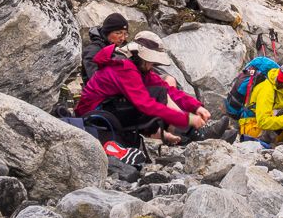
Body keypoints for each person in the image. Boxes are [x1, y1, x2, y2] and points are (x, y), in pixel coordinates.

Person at [75, 36, 213, 144]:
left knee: (161, 91)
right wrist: (187, 119)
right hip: (95, 116)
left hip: (108, 109)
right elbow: (146, 105)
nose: (153, 65)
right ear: (142, 57)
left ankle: (186, 133)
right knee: (158, 94)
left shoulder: (141, 70)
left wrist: (197, 107)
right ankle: (191, 132)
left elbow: (170, 91)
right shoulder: (125, 68)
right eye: (152, 61)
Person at [81, 12, 129, 82]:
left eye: (125, 34)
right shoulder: (93, 50)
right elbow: (95, 79)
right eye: (118, 33)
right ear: (107, 33)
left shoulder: (122, 49)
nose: (123, 38)